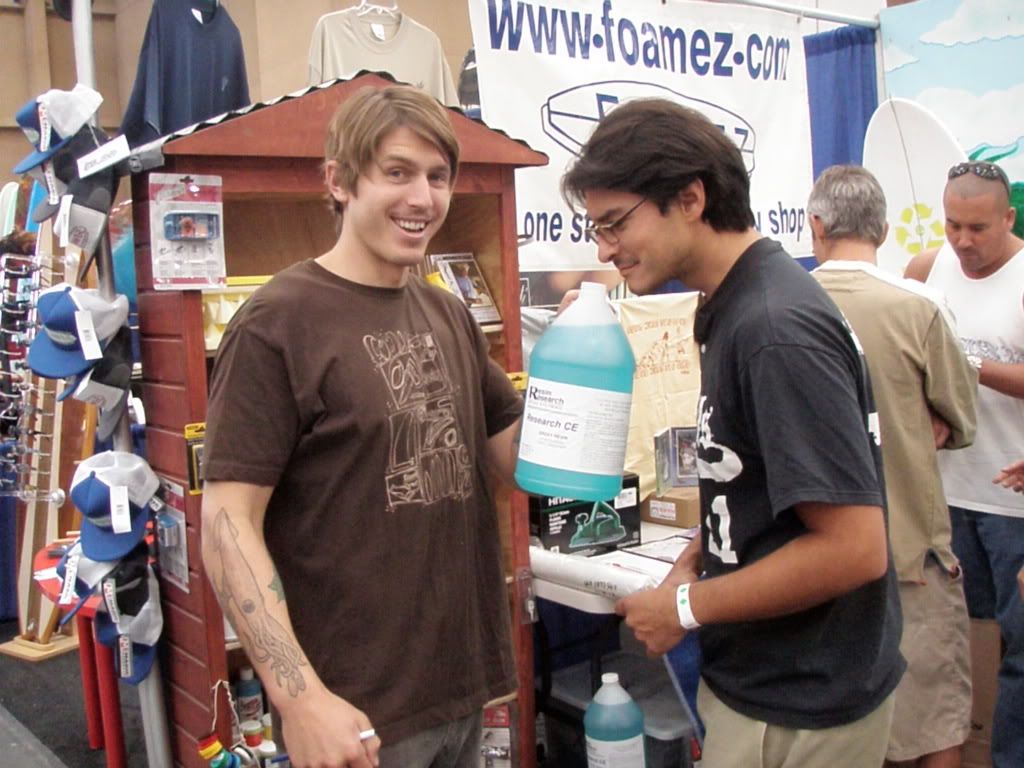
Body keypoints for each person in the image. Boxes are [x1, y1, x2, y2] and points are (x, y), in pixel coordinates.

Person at [563, 98, 904, 768]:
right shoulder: (737, 304)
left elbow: (855, 548)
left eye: (615, 223)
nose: (604, 248)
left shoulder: (773, 327)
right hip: (768, 682)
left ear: (690, 198)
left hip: (801, 701)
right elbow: (758, 484)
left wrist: (685, 608)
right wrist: (698, 555)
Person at [200, 85, 523, 768]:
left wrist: (581, 382)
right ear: (339, 182)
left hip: (461, 690)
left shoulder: (448, 314)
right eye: (397, 172)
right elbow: (227, 526)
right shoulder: (277, 324)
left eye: (438, 177)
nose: (422, 198)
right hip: (355, 715)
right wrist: (300, 700)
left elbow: (517, 459)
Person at [809, 165, 978, 768]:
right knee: (933, 719)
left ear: (816, 226)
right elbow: (961, 418)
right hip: (908, 549)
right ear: (883, 230)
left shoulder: (780, 305)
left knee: (840, 728)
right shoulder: (921, 306)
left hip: (806, 557)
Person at [905, 160, 1024, 768]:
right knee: (954, 640)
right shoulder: (926, 271)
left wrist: (965, 364)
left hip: (1013, 502)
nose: (963, 241)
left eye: (978, 228)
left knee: (1019, 649)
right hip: (946, 496)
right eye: (953, 225)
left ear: (1009, 218)